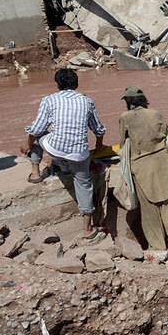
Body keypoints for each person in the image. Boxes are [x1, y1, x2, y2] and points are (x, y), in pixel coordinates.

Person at [21, 69, 106, 241]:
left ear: (57, 84)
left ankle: (36, 173)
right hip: (79, 152)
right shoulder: (87, 101)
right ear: (76, 84)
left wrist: (27, 145)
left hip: (56, 147)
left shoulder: (49, 100)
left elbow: (36, 129)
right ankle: (87, 229)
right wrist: (98, 147)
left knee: (37, 135)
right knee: (84, 183)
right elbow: (98, 129)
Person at [118, 87, 168, 264]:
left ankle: (158, 248)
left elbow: (123, 143)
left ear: (129, 102)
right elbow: (165, 135)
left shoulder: (125, 117)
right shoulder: (156, 114)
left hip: (141, 164)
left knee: (149, 208)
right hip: (161, 161)